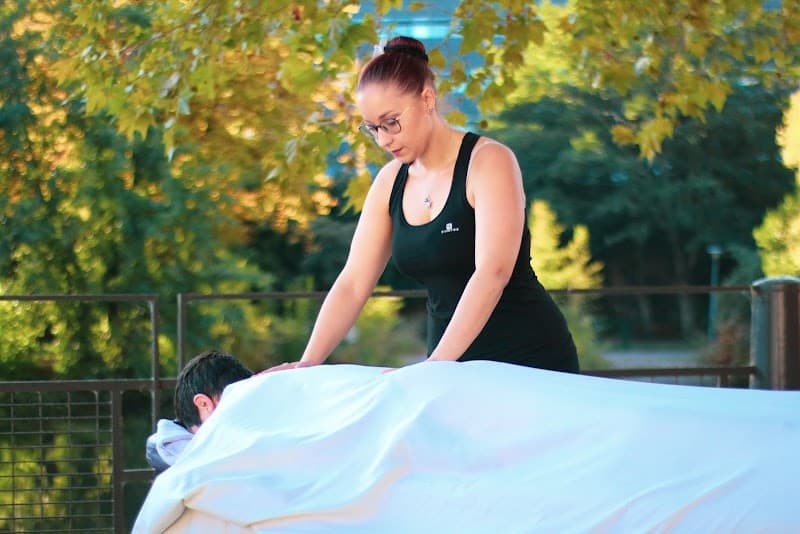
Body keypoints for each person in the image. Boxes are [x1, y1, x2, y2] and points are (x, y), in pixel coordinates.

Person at [269, 35, 579, 374]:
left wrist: (434, 366)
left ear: (427, 99)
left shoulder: (489, 161)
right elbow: (354, 282)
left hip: (527, 357)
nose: (384, 139)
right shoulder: (389, 182)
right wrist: (307, 362)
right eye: (373, 129)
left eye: (391, 122)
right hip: (447, 366)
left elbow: (493, 272)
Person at [145, 349, 253, 473]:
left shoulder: (175, 455)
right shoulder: (194, 463)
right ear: (203, 403)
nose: (245, 412)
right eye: (237, 403)